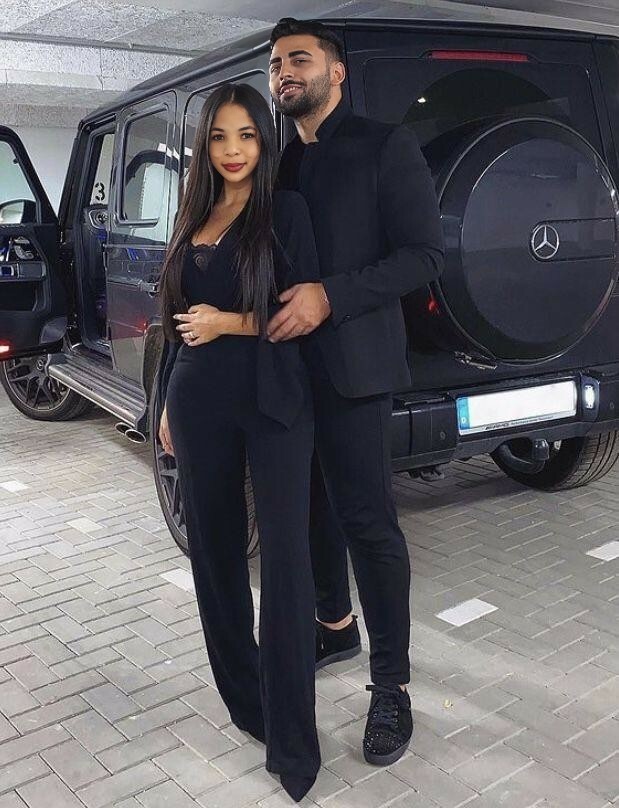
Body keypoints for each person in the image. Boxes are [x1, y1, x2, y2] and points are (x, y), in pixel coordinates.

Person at [268, 18, 445, 766]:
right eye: (276, 63)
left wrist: (330, 297)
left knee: (368, 524)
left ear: (335, 72)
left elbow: (423, 255)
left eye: (299, 59)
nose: (284, 72)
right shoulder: (281, 161)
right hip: (287, 372)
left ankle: (392, 687)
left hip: (356, 368)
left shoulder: (384, 145)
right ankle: (334, 626)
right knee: (311, 509)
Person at [156, 82, 321, 802]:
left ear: (264, 139)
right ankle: (248, 703)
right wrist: (164, 404)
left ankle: (294, 739)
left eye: (246, 135)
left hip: (274, 397)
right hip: (197, 400)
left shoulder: (285, 211)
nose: (232, 150)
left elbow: (303, 314)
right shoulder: (193, 212)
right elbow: (172, 319)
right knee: (215, 556)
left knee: (284, 561)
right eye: (219, 137)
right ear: (204, 145)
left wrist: (227, 323)